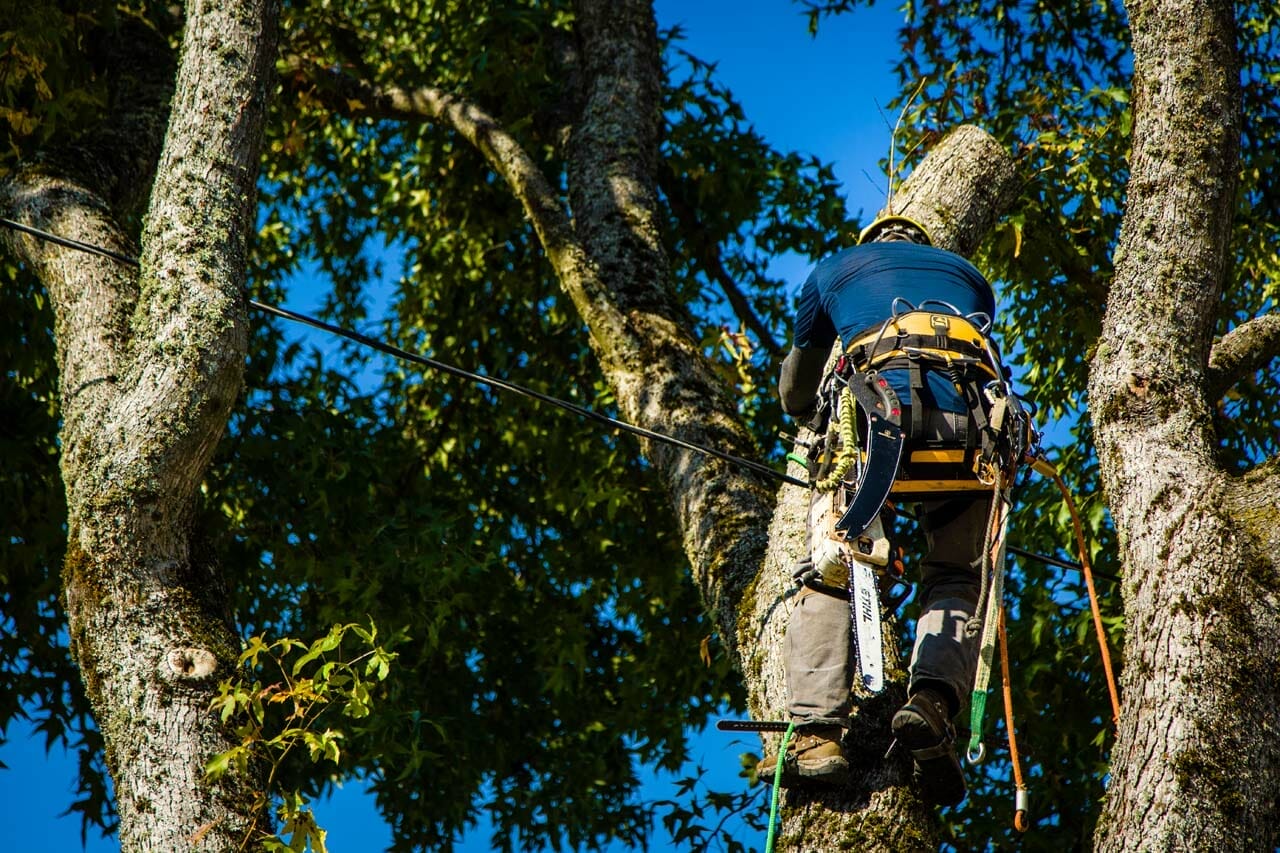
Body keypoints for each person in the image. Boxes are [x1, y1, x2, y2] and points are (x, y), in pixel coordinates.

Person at [767, 215, 999, 807]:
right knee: (957, 575)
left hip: (876, 426)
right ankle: (932, 704)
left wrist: (803, 407)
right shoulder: (969, 277)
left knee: (834, 567)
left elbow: (797, 393)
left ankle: (817, 735)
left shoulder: (833, 268)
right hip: (968, 435)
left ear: (871, 242)